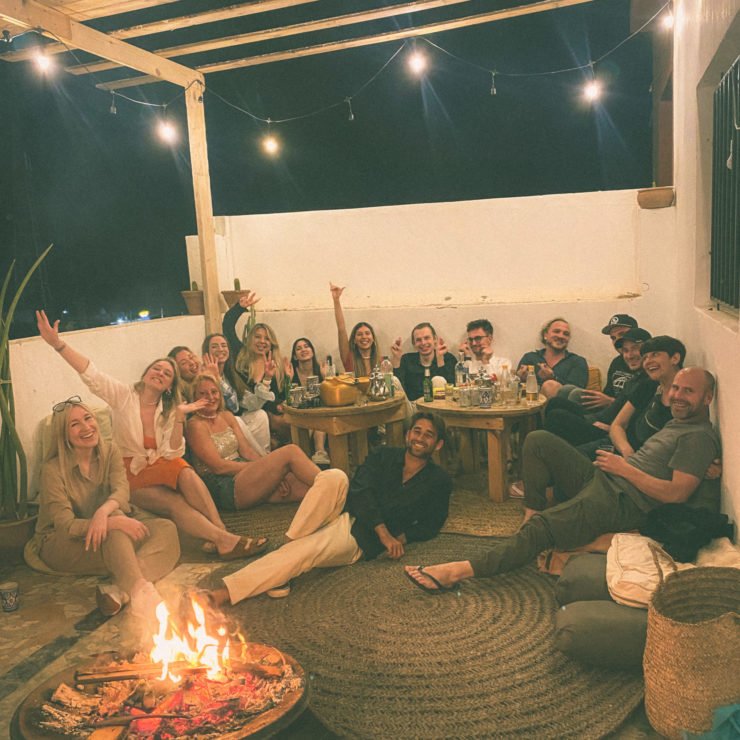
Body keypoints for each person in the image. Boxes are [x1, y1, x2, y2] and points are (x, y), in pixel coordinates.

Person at [405, 367, 720, 592]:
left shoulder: (697, 437)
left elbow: (676, 494)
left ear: (707, 398)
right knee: (538, 440)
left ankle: (456, 572)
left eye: (688, 391)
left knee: (542, 529)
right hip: (609, 478)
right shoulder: (679, 423)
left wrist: (624, 469)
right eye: (675, 388)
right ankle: (532, 510)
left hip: (623, 500)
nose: (677, 396)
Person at [36, 310, 267, 561]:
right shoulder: (123, 396)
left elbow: (172, 452)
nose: (160, 374)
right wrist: (58, 344)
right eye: (156, 369)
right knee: (174, 503)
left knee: (186, 472)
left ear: (169, 386)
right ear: (146, 374)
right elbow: (90, 373)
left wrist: (179, 417)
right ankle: (224, 539)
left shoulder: (169, 410)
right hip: (129, 471)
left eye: (167, 374)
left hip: (158, 464)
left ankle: (221, 533)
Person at [208, 412, 452, 605]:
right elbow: (360, 489)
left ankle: (225, 592)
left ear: (438, 444)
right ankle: (288, 546)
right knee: (334, 476)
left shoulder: (439, 481)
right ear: (408, 434)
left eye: (428, 435)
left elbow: (432, 523)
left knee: (305, 550)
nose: (420, 438)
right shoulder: (383, 455)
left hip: (359, 536)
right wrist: (384, 532)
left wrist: (401, 538)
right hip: (343, 508)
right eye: (417, 431)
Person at [32, 398, 180, 619]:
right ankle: (140, 591)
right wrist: (112, 522)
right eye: (75, 424)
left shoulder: (109, 450)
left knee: (167, 529)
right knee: (116, 531)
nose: (86, 427)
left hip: (108, 528)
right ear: (64, 435)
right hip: (63, 541)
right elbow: (66, 526)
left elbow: (121, 490)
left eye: (88, 418)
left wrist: (103, 513)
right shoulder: (52, 470)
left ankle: (122, 590)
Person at [186, 373, 321, 510]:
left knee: (306, 486)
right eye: (203, 394)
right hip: (225, 486)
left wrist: (272, 472)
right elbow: (219, 467)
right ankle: (330, 481)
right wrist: (265, 469)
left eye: (214, 392)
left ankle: (333, 490)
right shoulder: (195, 425)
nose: (210, 397)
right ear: (194, 398)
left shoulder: (227, 416)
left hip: (247, 476)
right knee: (291, 451)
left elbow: (248, 451)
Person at [543, 328, 652, 449]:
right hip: (602, 417)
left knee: (557, 416)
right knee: (556, 402)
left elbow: (638, 423)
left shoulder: (649, 383)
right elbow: (611, 400)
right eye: (625, 350)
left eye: (635, 349)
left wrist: (610, 427)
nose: (629, 355)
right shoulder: (634, 377)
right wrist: (595, 417)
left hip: (609, 429)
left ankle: (554, 451)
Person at [223, 294, 291, 445]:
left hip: (270, 415)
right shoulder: (240, 354)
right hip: (247, 414)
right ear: (250, 339)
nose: (262, 341)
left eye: (267, 338)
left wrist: (288, 379)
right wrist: (239, 308)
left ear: (271, 343)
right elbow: (227, 327)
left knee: (291, 421)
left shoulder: (274, 365)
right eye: (257, 337)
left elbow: (279, 397)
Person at [201, 332, 270, 455]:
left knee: (260, 415)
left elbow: (252, 404)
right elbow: (234, 407)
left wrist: (267, 379)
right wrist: (217, 379)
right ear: (206, 353)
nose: (220, 349)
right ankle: (264, 460)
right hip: (214, 427)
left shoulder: (230, 375)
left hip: (231, 424)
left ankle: (264, 455)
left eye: (224, 346)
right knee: (236, 420)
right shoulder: (203, 376)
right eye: (215, 346)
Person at [557, 314, 640, 410]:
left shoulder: (645, 362)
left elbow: (642, 404)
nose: (617, 340)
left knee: (567, 403)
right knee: (566, 391)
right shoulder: (617, 362)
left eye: (622, 334)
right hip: (608, 411)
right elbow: (608, 394)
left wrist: (611, 401)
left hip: (624, 414)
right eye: (613, 338)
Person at [516, 318, 588, 399]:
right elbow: (515, 390)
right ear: (545, 335)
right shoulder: (530, 358)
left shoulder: (577, 361)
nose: (561, 336)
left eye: (566, 334)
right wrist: (521, 379)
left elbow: (576, 393)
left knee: (550, 385)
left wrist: (553, 378)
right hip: (531, 404)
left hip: (564, 405)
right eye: (556, 331)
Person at [289, 337, 329, 465]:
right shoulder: (291, 372)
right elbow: (286, 399)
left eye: (306, 346)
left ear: (312, 351)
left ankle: (320, 452)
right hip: (300, 415)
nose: (303, 350)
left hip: (319, 414)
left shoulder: (320, 370)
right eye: (299, 348)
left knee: (319, 418)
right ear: (295, 356)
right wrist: (288, 380)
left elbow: (330, 396)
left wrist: (326, 378)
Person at [391, 322, 456, 400]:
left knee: (438, 380)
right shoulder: (406, 360)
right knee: (394, 380)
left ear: (435, 339)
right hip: (413, 405)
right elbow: (399, 389)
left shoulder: (448, 358)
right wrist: (397, 359)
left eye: (427, 338)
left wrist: (440, 360)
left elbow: (453, 389)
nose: (423, 343)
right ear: (414, 344)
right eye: (418, 340)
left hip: (439, 405)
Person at [330, 283, 379, 377]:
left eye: (367, 333)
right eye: (359, 334)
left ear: (373, 338)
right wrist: (336, 300)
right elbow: (341, 329)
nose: (364, 337)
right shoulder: (349, 358)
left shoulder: (380, 361)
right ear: (354, 340)